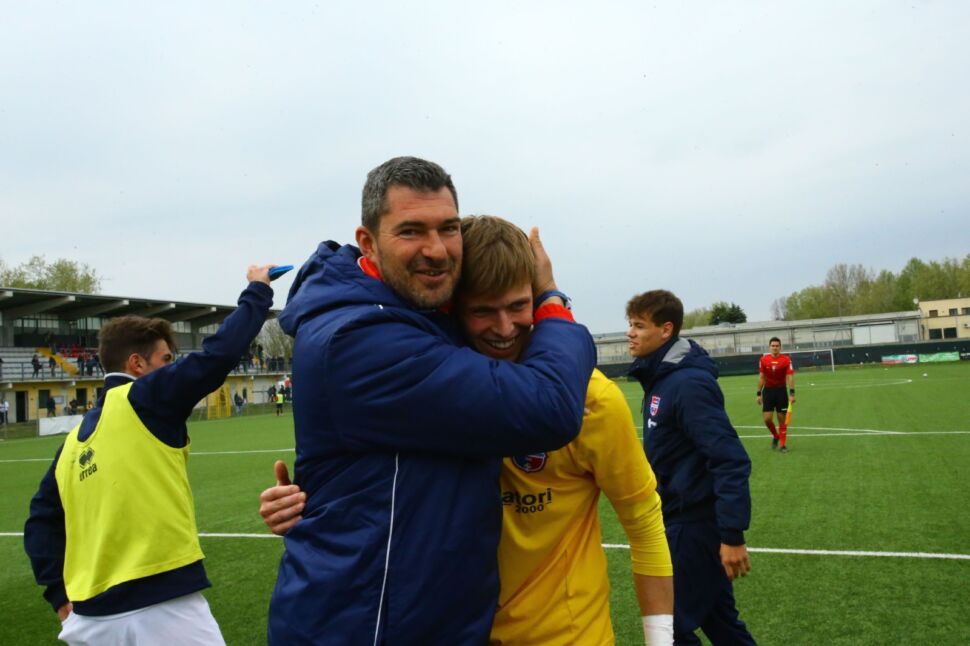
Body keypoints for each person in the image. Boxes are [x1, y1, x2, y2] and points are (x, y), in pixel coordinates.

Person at [261, 216, 673, 644]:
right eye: (482, 311)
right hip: (457, 632)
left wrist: (661, 639)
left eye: (518, 306)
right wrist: (308, 503)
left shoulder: (588, 399)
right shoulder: (428, 391)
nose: (504, 327)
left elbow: (643, 520)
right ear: (451, 309)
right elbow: (382, 484)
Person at [23, 265, 274, 646]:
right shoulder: (144, 398)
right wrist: (258, 290)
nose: (172, 369)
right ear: (137, 364)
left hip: (88, 621)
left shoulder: (71, 444)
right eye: (166, 359)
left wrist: (59, 594)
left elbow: (40, 521)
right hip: (159, 607)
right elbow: (216, 357)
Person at [626, 290, 756, 645]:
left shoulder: (688, 384)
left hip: (694, 527)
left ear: (666, 330)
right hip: (681, 519)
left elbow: (730, 459)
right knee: (722, 625)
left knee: (668, 628)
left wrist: (732, 535)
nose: (630, 333)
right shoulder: (662, 379)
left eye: (639, 326)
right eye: (630, 325)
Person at [757, 337, 795, 453]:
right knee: (767, 419)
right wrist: (758, 393)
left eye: (777, 346)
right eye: (773, 346)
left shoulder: (786, 360)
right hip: (768, 392)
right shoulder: (763, 360)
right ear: (769, 347)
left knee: (782, 420)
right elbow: (761, 377)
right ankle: (776, 435)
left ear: (780, 347)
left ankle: (782, 445)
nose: (775, 348)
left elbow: (790, 377)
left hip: (781, 392)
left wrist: (792, 393)